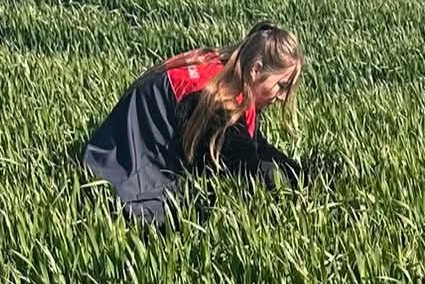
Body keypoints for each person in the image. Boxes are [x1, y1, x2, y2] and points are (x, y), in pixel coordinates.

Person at [80, 21, 306, 224]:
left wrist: (299, 174)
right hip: (121, 166)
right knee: (185, 222)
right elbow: (246, 168)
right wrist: (299, 190)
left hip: (118, 145)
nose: (283, 97)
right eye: (282, 86)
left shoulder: (229, 72)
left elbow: (255, 148)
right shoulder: (217, 100)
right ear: (256, 69)